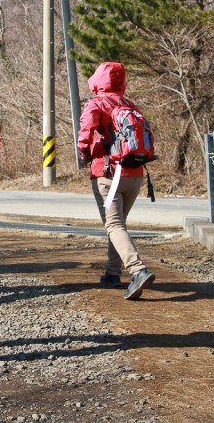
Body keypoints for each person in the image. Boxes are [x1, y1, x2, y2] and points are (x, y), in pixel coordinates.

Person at [77, 62, 155, 300]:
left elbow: (86, 130)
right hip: (135, 175)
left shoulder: (96, 103)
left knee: (114, 225)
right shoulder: (130, 105)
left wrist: (83, 151)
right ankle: (112, 274)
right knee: (119, 224)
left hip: (109, 174)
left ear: (98, 81)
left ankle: (137, 270)